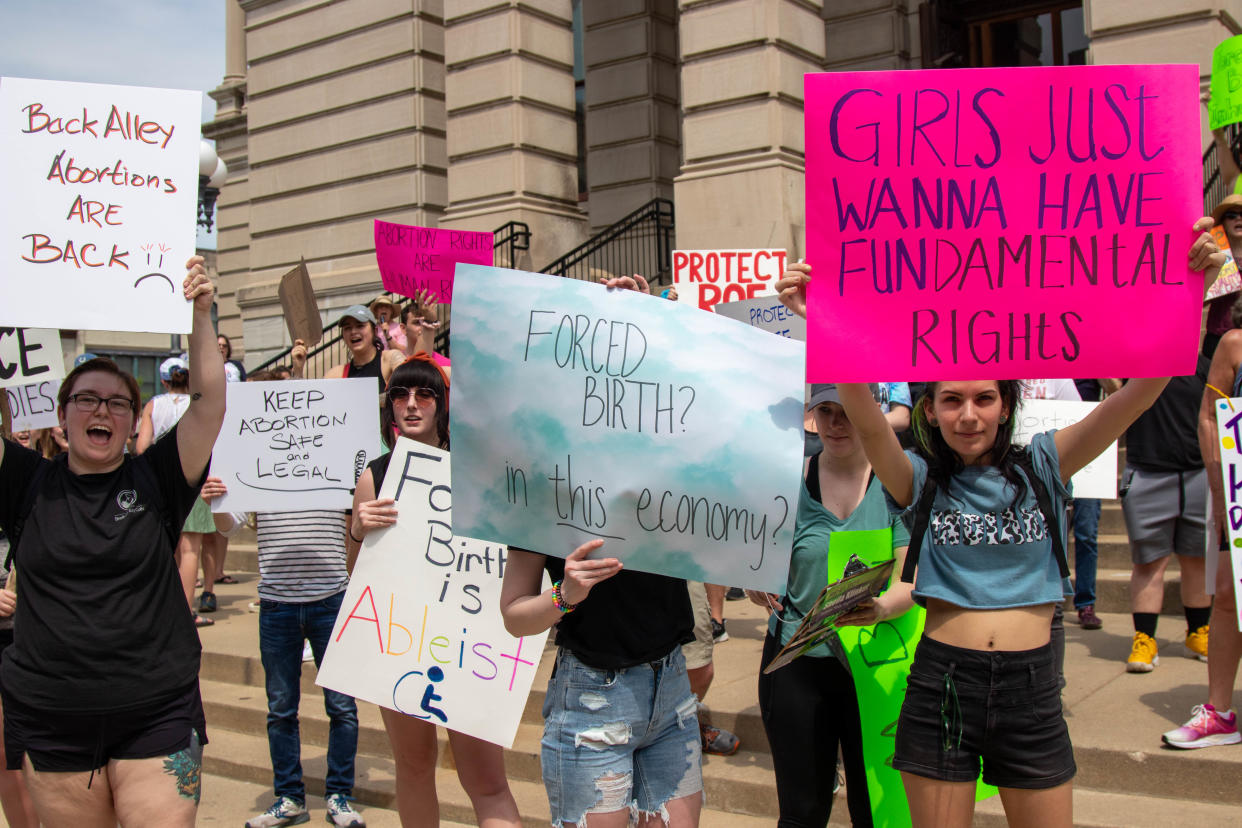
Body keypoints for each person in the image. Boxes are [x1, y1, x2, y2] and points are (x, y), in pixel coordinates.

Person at [773, 221, 1222, 827]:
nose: (968, 415)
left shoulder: (1045, 460)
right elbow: (867, 418)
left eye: (983, 399)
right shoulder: (918, 480)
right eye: (951, 400)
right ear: (929, 409)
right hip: (940, 690)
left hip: (1032, 692)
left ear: (1005, 405)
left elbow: (1140, 395)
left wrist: (1190, 298)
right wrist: (822, 322)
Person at [0, 258, 224, 826]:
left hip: (157, 710)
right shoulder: (26, 483)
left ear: (132, 421)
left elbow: (210, 405)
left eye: (117, 403)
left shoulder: (158, 479)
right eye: (87, 400)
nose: (102, 410)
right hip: (52, 717)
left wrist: (201, 313)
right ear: (61, 417)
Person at [499, 273, 703, 828]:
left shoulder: (671, 461)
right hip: (593, 695)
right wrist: (566, 596)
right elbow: (515, 616)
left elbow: (702, 385)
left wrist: (643, 317)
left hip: (672, 690)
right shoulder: (540, 483)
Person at [349, 355, 520, 828]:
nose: (411, 404)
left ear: (444, 405)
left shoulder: (480, 470)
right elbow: (355, 575)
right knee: (414, 766)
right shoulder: (375, 477)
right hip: (402, 639)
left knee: (486, 780)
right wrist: (359, 531)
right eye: (401, 395)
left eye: (424, 394)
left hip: (470, 642)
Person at [749, 383, 913, 827]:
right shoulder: (790, 482)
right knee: (802, 811)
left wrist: (880, 608)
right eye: (825, 411)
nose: (836, 424)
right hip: (798, 662)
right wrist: (757, 586)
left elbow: (911, 581)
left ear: (871, 410)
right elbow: (759, 565)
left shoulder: (894, 481)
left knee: (876, 809)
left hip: (872, 665)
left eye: (846, 411)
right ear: (811, 416)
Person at [200, 474, 365, 828]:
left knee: (342, 707)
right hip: (277, 604)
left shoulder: (334, 458)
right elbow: (231, 526)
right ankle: (289, 796)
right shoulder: (259, 463)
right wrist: (217, 505)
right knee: (281, 708)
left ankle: (339, 793)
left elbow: (359, 516)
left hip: (331, 600)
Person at [1165, 295, 1242, 749]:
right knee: (1228, 597)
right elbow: (1211, 419)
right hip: (1237, 497)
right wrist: (1220, 492)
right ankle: (1218, 712)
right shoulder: (1232, 345)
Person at [1119, 356, 1212, 672]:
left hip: (1198, 474)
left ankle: (1198, 632)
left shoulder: (1204, 366)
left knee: (1196, 559)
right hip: (1148, 473)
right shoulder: (1135, 360)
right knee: (1148, 563)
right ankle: (1145, 640)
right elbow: (1114, 391)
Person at [137, 356, 219, 628]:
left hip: (158, 482)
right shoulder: (195, 406)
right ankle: (185, 611)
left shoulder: (153, 405)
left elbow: (141, 448)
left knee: (167, 547)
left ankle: (165, 607)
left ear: (163, 380)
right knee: (190, 549)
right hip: (193, 477)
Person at [325, 306, 403, 388]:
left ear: (375, 331)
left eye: (360, 326)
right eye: (348, 328)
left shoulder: (390, 360)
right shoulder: (336, 375)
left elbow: (410, 386)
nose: (353, 332)